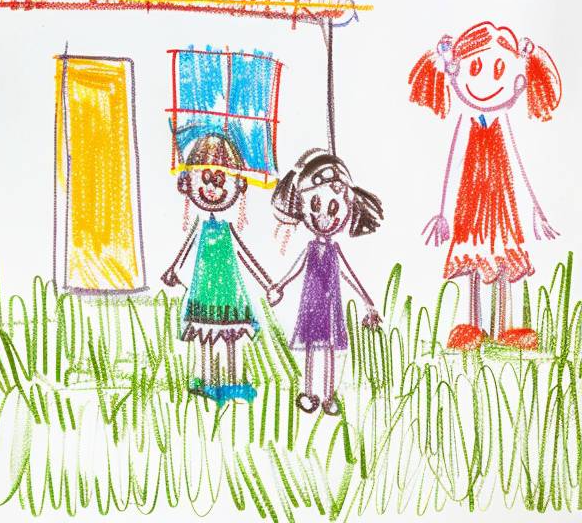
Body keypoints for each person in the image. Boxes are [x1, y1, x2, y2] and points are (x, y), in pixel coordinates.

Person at [409, 21, 560, 351]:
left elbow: (519, 164)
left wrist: (536, 209)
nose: (487, 81)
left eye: (499, 69)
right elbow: (451, 164)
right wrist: (441, 213)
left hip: (501, 205)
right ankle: (473, 326)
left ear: (517, 80)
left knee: (502, 261)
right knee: (476, 263)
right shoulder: (467, 120)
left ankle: (503, 327)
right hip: (471, 205)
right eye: (476, 67)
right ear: (456, 72)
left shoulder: (503, 121)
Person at [161, 133, 273, 403]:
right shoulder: (201, 226)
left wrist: (268, 283)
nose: (212, 189)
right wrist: (173, 269)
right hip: (204, 292)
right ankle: (209, 381)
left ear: (237, 185)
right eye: (206, 179)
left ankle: (233, 381)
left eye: (221, 181)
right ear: (188, 183)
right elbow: (186, 250)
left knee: (231, 336)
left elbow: (245, 255)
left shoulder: (226, 228)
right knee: (206, 336)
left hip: (228, 291)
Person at [268, 149, 383, 414]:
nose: (324, 217)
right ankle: (309, 392)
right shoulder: (311, 248)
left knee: (329, 349)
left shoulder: (334, 251)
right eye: (316, 206)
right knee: (310, 348)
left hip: (330, 307)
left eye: (333, 209)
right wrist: (279, 285)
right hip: (311, 305)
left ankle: (329, 395)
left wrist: (368, 303)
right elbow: (296, 269)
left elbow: (348, 274)